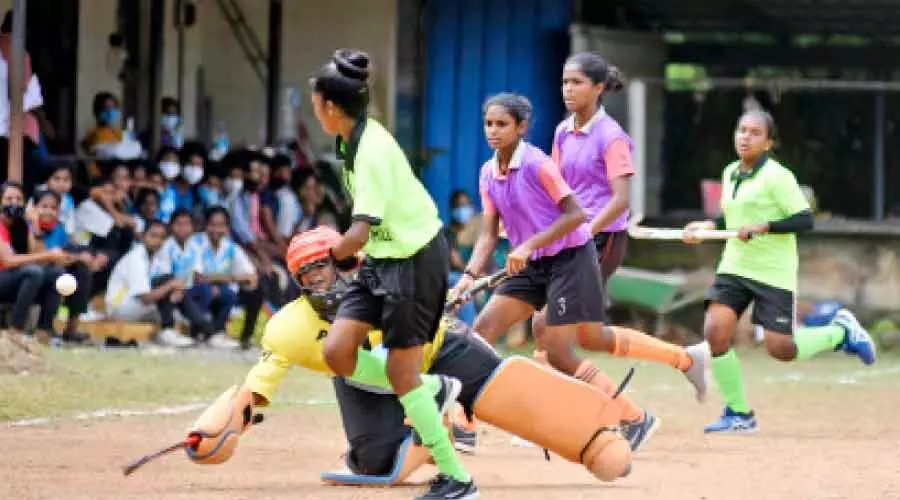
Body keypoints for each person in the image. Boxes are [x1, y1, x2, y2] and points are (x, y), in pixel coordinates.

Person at [182, 227, 633, 486]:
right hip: (369, 381)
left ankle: (593, 433)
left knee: (515, 396)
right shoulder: (288, 328)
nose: (321, 281)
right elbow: (258, 391)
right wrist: (217, 429)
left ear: (349, 261)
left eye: (326, 267)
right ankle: (436, 424)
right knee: (376, 467)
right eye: (309, 274)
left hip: (440, 349)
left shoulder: (384, 275)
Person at [450, 93, 709, 448]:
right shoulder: (487, 173)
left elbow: (576, 215)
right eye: (488, 124)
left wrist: (527, 244)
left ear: (521, 127)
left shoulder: (539, 165)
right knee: (481, 332)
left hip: (570, 260)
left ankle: (634, 417)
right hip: (532, 265)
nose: (493, 131)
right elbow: (489, 234)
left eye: (502, 124)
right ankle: (465, 421)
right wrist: (468, 278)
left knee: (558, 350)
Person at [309, 49, 477, 500]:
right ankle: (429, 389)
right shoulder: (351, 140)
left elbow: (359, 231)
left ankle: (457, 477)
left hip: (414, 260)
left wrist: (335, 251)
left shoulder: (370, 151)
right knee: (338, 351)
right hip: (384, 260)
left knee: (401, 371)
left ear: (327, 105)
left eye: (315, 101)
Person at [682, 109, 876, 433]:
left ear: (769, 142)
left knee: (781, 349)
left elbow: (805, 220)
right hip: (734, 267)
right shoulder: (731, 172)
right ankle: (739, 414)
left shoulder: (778, 177)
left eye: (755, 133)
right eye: (741, 130)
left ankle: (840, 332)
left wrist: (766, 226)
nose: (745, 137)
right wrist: (705, 226)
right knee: (715, 331)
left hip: (773, 272)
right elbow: (730, 218)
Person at [530, 52, 652, 438]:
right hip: (570, 235)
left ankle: (621, 415)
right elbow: (555, 186)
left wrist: (582, 231)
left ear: (598, 88)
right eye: (565, 82)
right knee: (578, 334)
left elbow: (620, 200)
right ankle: (678, 367)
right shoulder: (563, 131)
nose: (568, 89)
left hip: (602, 238)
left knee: (548, 323)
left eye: (577, 82)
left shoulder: (611, 136)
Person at [0, 182, 71, 348]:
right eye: (9, 198)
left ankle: (44, 331)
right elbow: (7, 261)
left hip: (17, 281)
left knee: (55, 273)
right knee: (33, 272)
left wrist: (35, 227)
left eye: (18, 199)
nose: (14, 203)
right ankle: (15, 331)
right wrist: (48, 254)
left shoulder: (24, 224)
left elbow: (43, 260)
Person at [104, 219, 195, 347]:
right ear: (142, 236)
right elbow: (146, 298)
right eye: (153, 236)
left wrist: (176, 290)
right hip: (120, 306)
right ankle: (168, 331)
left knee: (175, 307)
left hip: (140, 305)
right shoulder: (136, 258)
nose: (157, 240)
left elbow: (171, 286)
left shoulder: (158, 257)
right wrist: (171, 286)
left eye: (162, 237)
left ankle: (194, 329)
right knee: (167, 284)